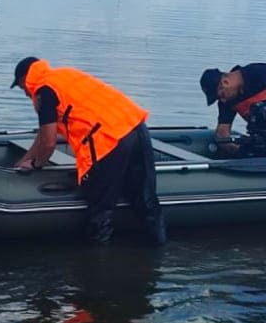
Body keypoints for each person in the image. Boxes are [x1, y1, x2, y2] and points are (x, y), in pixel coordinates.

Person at [10, 56, 166, 245]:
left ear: (25, 78)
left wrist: (35, 164)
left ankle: (98, 265)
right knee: (146, 202)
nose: (25, 93)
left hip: (109, 141)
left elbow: (49, 142)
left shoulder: (44, 91)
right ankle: (156, 253)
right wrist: (24, 159)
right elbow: (43, 136)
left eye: (21, 87)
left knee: (99, 210)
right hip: (136, 127)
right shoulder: (64, 75)